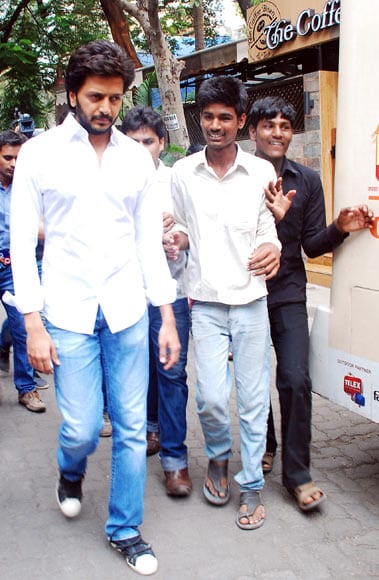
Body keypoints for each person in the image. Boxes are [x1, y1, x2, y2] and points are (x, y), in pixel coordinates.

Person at [8, 40, 180, 576]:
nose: (106, 108)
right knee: (82, 427)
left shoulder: (137, 159)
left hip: (127, 310)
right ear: (73, 94)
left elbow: (147, 242)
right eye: (95, 97)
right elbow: (20, 244)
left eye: (114, 97)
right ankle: (70, 469)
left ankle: (125, 528)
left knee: (130, 426)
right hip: (67, 312)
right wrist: (32, 322)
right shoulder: (39, 153)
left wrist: (166, 315)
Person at [249, 95, 374, 512]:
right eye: (269, 125)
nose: (278, 132)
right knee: (254, 378)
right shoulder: (240, 177)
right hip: (244, 293)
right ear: (253, 132)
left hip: (287, 292)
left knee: (296, 379)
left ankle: (298, 474)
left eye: (285, 125)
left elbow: (311, 246)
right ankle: (265, 445)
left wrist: (339, 227)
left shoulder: (307, 180)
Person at [167, 75, 282, 530]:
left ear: (240, 122)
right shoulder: (182, 172)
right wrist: (175, 238)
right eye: (208, 116)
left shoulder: (261, 172)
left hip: (251, 300)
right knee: (213, 399)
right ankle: (217, 458)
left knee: (253, 399)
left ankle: (251, 484)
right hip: (207, 302)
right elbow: (181, 226)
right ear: (200, 118)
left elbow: (266, 228)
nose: (215, 125)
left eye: (225, 118)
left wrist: (272, 246)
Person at [120, 106, 191, 497]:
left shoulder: (175, 180)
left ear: (162, 144)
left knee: (171, 372)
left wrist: (175, 236)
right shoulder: (112, 180)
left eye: (149, 141)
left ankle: (175, 461)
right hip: (129, 294)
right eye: (133, 142)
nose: (142, 149)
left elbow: (192, 229)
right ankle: (150, 430)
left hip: (173, 292)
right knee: (140, 370)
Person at [0, 129, 47, 411]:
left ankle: (27, 388)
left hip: (16, 266)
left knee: (22, 326)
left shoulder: (30, 188)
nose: (14, 164)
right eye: (7, 157)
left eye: (19, 158)